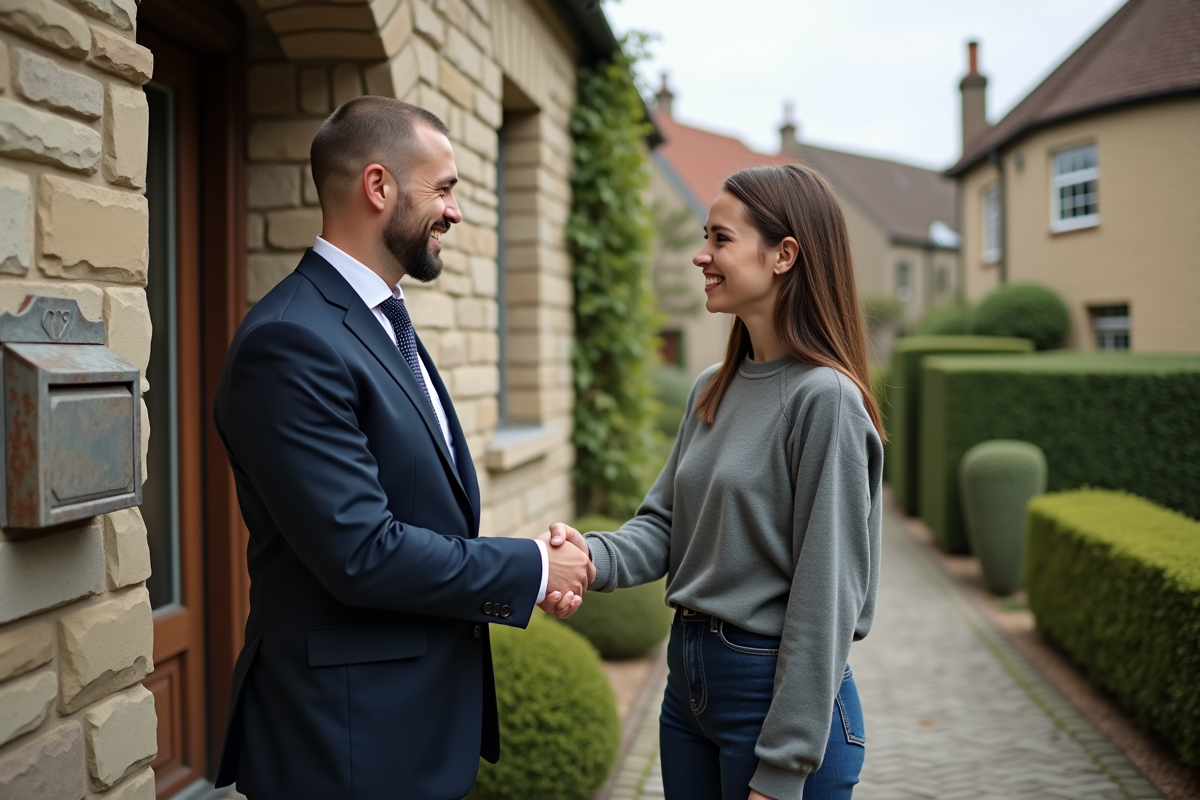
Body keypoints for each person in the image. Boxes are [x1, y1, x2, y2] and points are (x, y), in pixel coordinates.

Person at [212, 97, 593, 800]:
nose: (455, 212)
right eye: (443, 189)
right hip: (345, 745)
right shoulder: (290, 342)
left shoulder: (383, 319)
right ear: (379, 186)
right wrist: (534, 567)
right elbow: (362, 551)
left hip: (410, 729)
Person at [549, 163, 885, 800]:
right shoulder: (713, 387)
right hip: (689, 692)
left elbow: (826, 601)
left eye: (721, 239)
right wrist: (591, 556)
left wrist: (783, 768)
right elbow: (666, 526)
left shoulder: (826, 401)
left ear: (784, 255)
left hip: (774, 703)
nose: (701, 255)